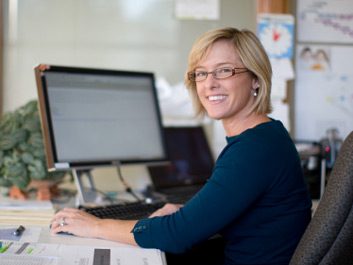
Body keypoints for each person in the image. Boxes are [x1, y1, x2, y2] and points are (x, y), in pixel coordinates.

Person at [51, 27, 312, 265]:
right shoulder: (265, 137)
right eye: (201, 73)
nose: (209, 83)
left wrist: (96, 226)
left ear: (255, 78)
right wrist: (187, 212)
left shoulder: (255, 149)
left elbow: (178, 235)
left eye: (224, 70)